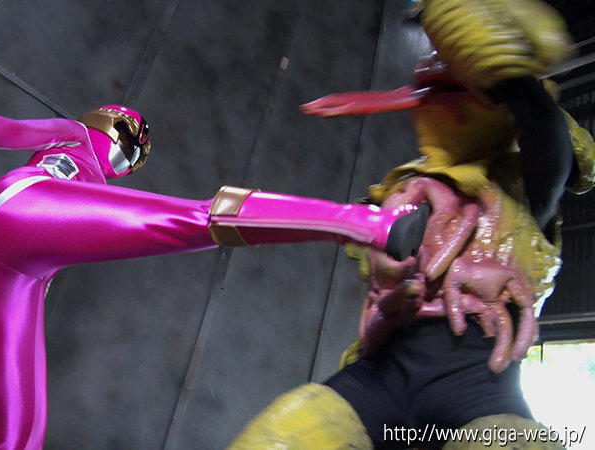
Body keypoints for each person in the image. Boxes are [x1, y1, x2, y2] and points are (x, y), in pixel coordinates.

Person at [0, 99, 429, 448]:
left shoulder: (93, 193)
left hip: (9, 274)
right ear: (107, 120)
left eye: (135, 156)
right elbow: (3, 128)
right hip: (20, 208)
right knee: (193, 219)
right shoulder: (73, 135)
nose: (130, 154)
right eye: (129, 138)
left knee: (20, 432)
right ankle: (368, 223)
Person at [229, 0, 595, 448]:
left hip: (478, 393)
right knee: (276, 438)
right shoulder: (399, 196)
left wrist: (506, 74)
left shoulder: (522, 191)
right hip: (376, 382)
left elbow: (547, 139)